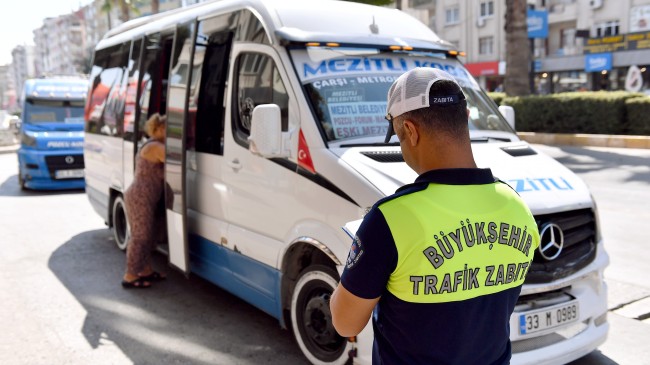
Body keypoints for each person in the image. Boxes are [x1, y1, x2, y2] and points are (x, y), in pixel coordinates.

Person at [330, 68, 540, 364]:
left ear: (411, 132)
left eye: (400, 138)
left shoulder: (389, 219)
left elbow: (345, 323)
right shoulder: (517, 207)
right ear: (465, 118)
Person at [121, 113, 168, 288]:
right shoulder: (156, 146)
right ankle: (130, 275)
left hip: (145, 196)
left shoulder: (152, 144)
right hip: (141, 197)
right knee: (140, 236)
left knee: (148, 235)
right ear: (160, 129)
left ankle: (146, 270)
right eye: (169, 129)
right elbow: (176, 161)